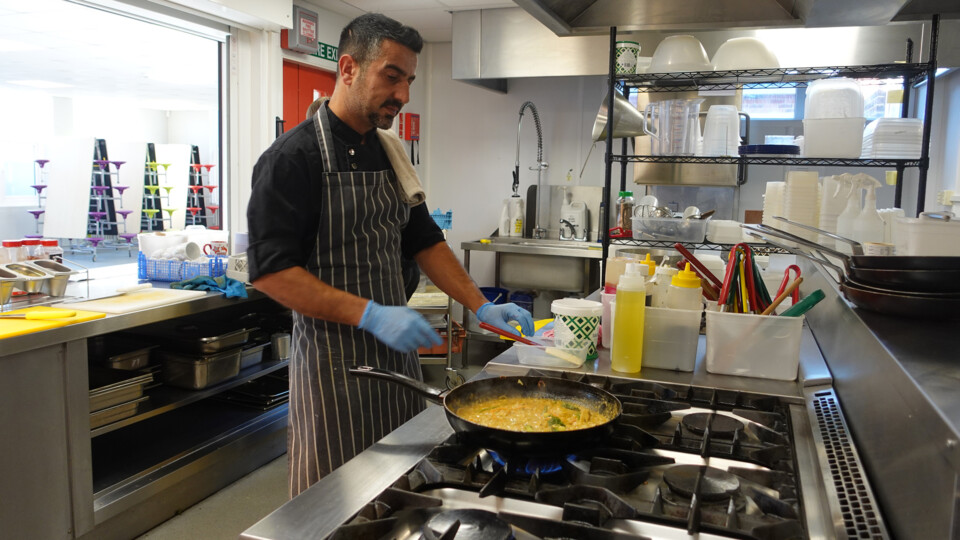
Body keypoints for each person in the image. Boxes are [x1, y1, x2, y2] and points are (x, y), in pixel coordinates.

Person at [247, 13, 534, 498]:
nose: (403, 94)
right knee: (334, 499)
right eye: (392, 76)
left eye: (409, 81)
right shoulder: (291, 160)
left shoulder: (391, 151)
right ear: (348, 69)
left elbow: (424, 241)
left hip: (397, 363)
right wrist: (370, 313)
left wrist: (479, 304)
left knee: (397, 488)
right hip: (333, 368)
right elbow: (272, 274)